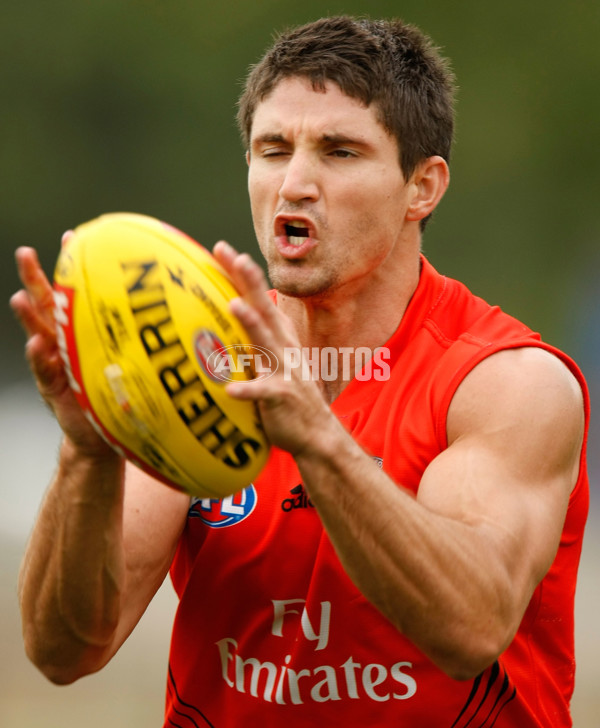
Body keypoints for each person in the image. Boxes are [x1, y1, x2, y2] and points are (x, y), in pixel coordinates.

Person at [11, 15, 589, 728]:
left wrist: (318, 439)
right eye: (273, 149)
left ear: (423, 187)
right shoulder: (196, 360)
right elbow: (64, 650)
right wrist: (88, 450)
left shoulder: (506, 382)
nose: (295, 183)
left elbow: (470, 628)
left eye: (340, 152)